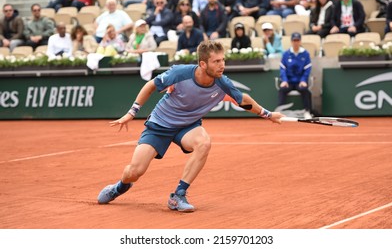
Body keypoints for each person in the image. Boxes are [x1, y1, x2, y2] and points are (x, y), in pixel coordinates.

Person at [97, 40, 285, 211]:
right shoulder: (180, 73)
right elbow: (151, 85)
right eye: (216, 62)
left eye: (223, 60)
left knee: (204, 143)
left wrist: (267, 114)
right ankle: (120, 186)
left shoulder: (222, 83)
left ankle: (178, 195)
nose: (222, 66)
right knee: (135, 172)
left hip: (188, 126)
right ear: (203, 64)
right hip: (160, 124)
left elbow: (242, 100)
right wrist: (132, 112)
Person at [279, 32, 312, 119]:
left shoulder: (306, 54)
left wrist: (303, 80)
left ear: (300, 41)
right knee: (282, 89)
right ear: (291, 42)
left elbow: (307, 69)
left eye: (297, 40)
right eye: (294, 40)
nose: (296, 42)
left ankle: (307, 111)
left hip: (300, 82)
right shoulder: (286, 54)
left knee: (305, 90)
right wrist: (284, 80)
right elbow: (282, 69)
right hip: (289, 81)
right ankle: (280, 113)